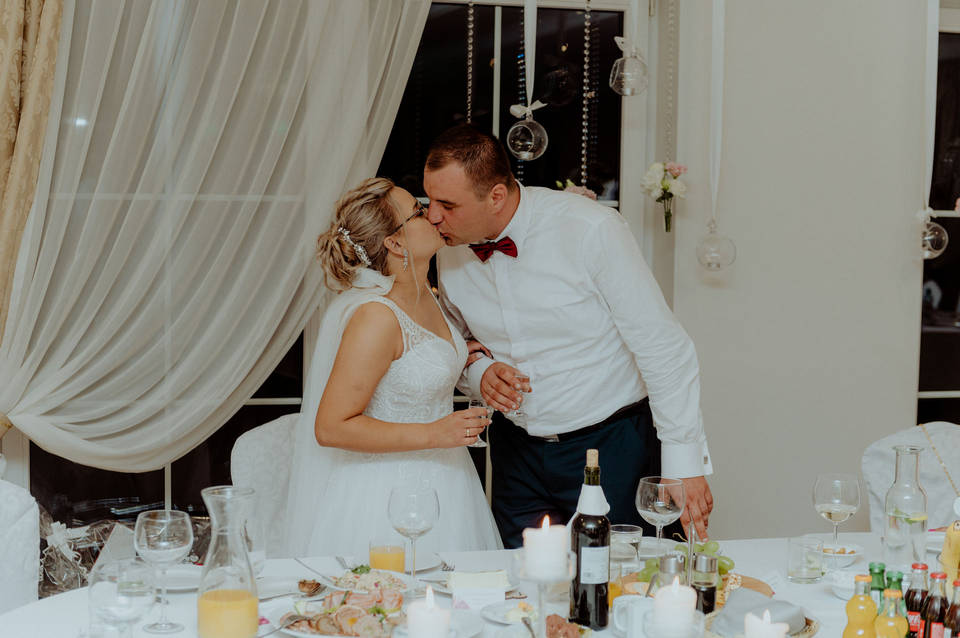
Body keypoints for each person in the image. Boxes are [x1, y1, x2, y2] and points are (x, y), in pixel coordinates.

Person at [423, 124, 714, 548]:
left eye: (447, 205)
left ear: (496, 196)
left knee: (622, 579)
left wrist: (683, 464)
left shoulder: (590, 229)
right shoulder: (447, 249)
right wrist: (479, 372)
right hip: (515, 455)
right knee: (521, 581)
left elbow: (663, 346)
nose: (432, 216)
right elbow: (452, 338)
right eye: (429, 201)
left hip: (611, 448)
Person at [283, 177, 503, 558]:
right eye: (417, 211)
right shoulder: (376, 317)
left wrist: (458, 355)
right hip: (386, 499)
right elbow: (331, 427)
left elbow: (409, 363)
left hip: (449, 483)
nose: (432, 215)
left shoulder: (425, 293)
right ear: (395, 244)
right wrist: (434, 433)